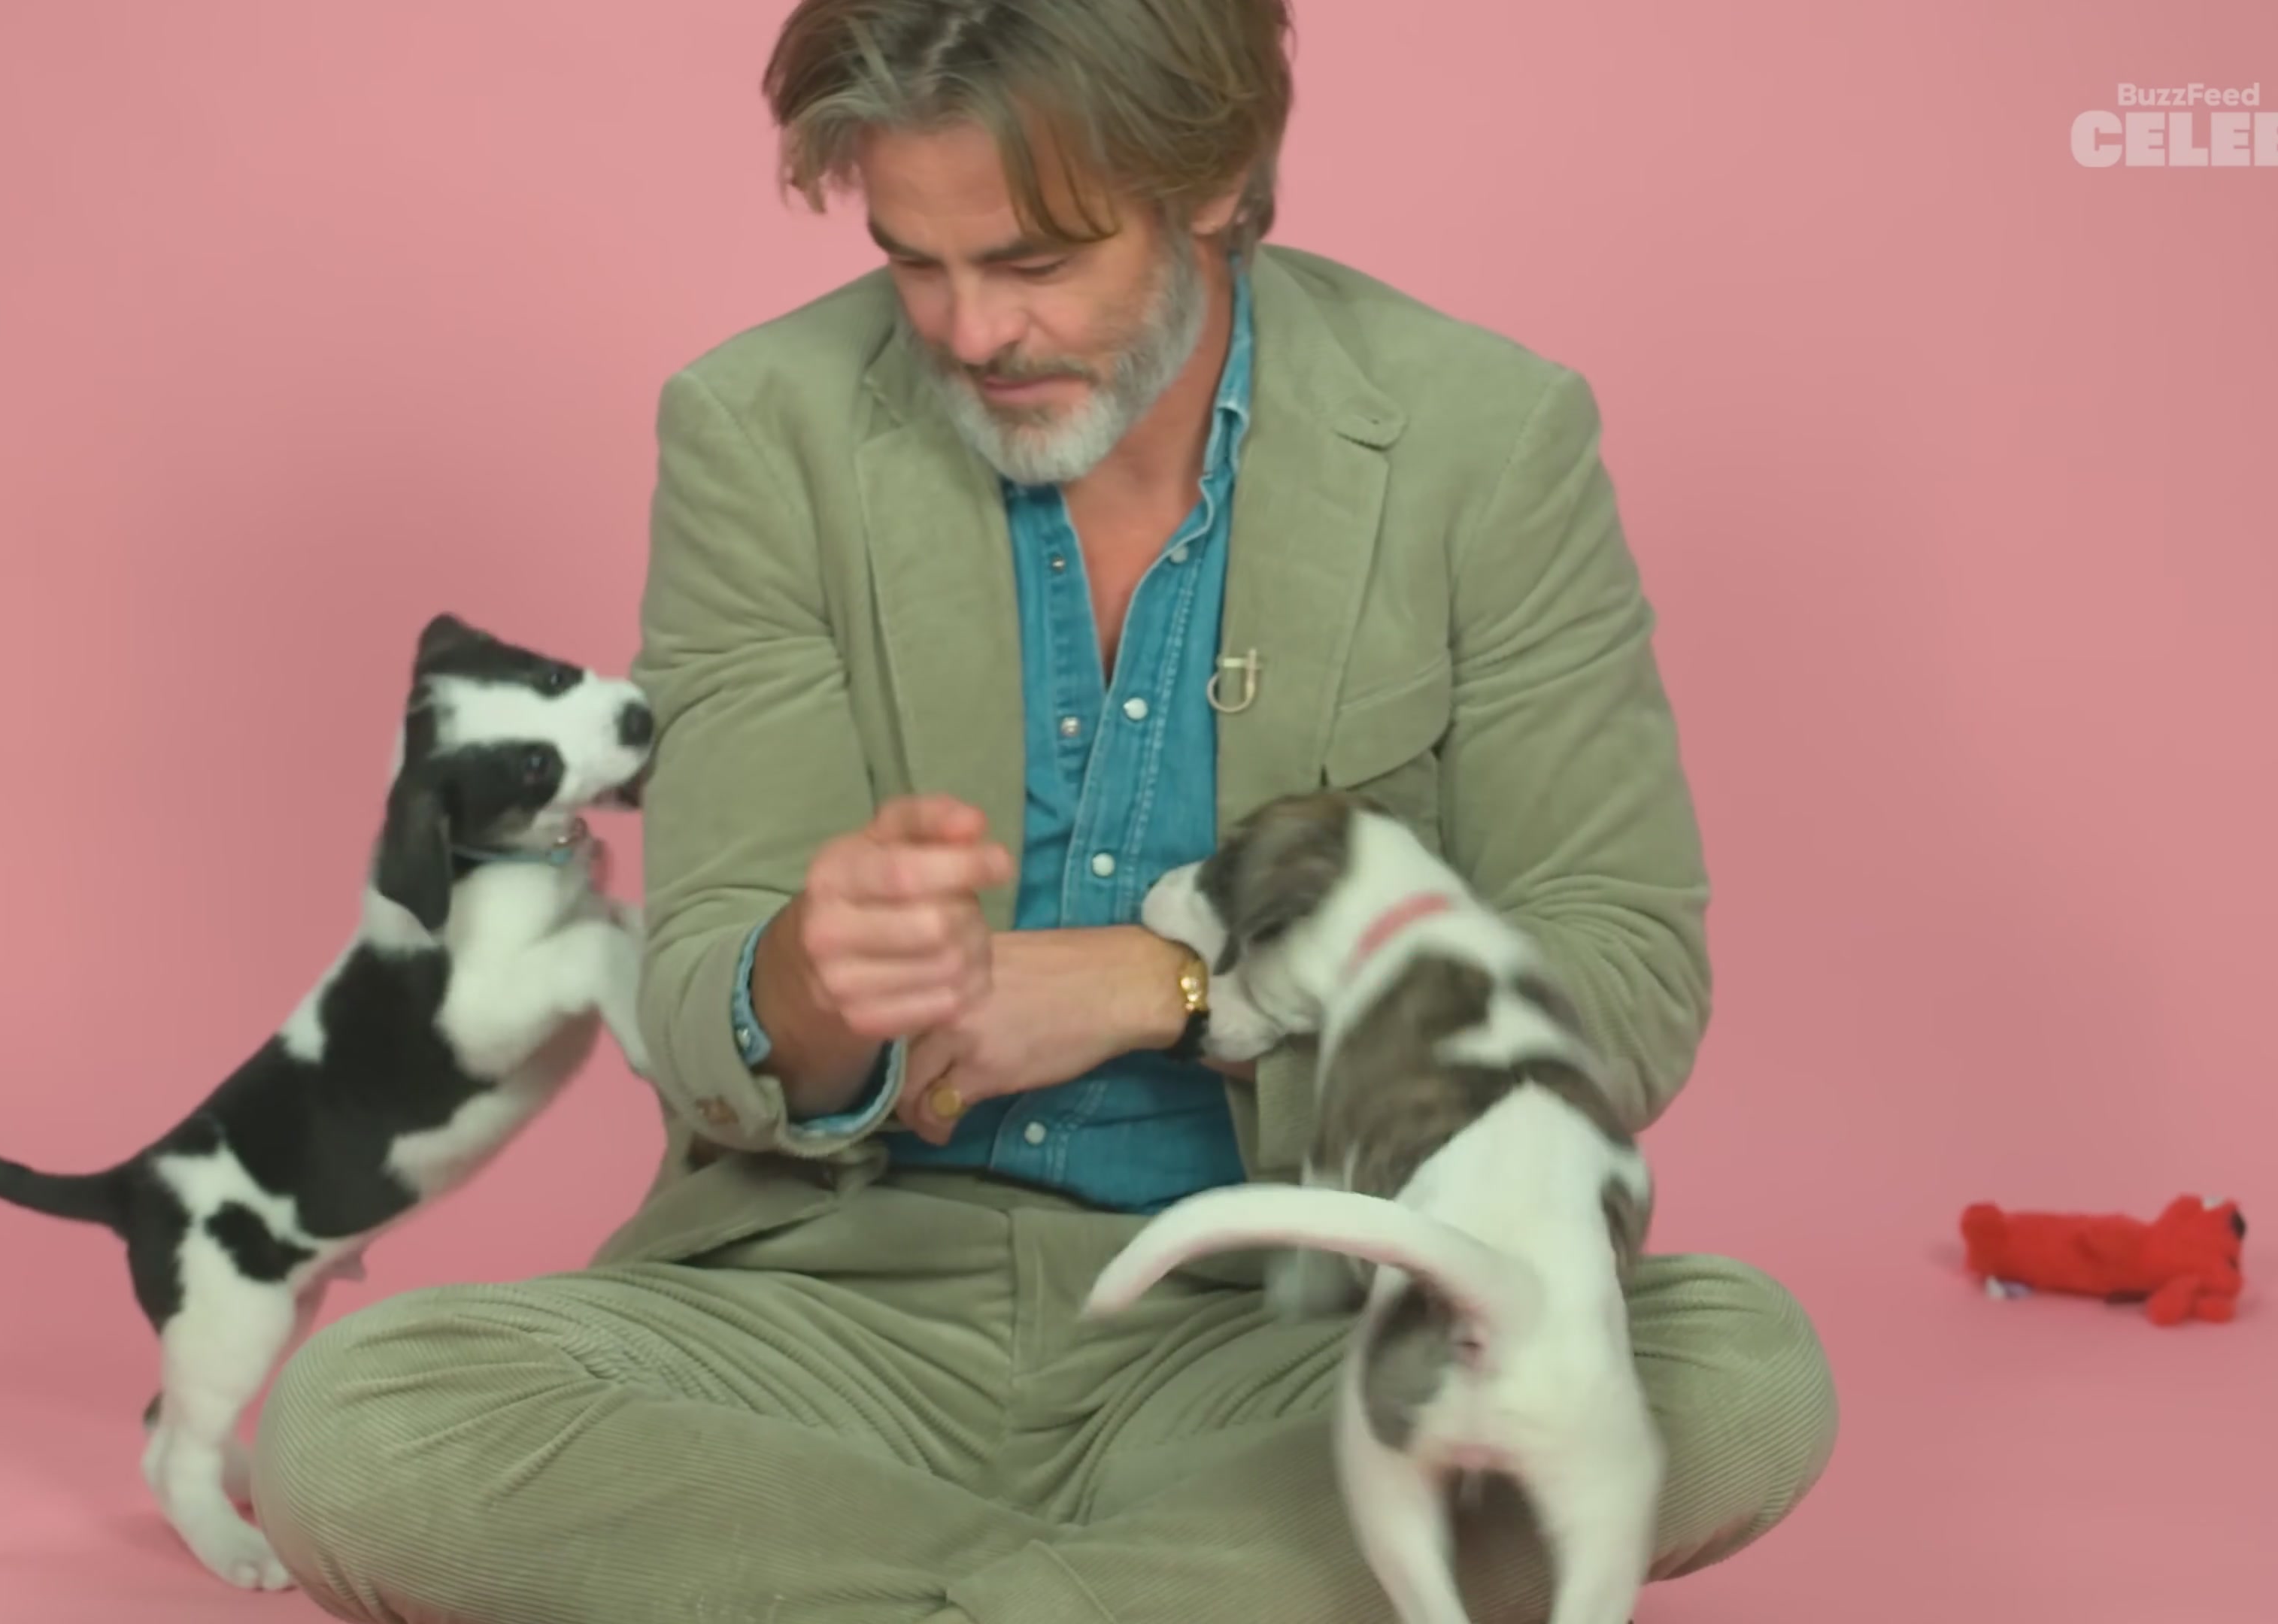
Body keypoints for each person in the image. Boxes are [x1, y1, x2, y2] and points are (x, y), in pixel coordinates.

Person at [250, 2, 1837, 1619]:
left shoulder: (1483, 440)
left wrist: (1175, 988)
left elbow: (1624, 972)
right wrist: (814, 976)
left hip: (1305, 1326)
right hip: (834, 1320)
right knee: (359, 1425)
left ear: (1215, 180)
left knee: (1737, 1368)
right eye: (913, 262)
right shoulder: (761, 424)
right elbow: (706, 987)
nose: (969, 331)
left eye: (1036, 261)